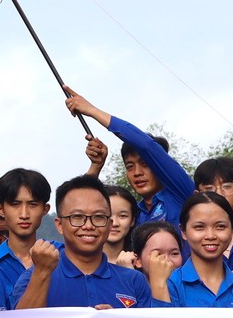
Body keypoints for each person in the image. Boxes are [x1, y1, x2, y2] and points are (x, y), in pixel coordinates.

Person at [15, 176, 151, 309]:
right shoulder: (34, 277)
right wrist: (41, 273)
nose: (88, 226)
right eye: (77, 217)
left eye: (98, 217)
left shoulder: (134, 281)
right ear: (59, 225)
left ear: (109, 225)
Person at [63, 88, 191, 229]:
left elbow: (146, 146)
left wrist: (92, 110)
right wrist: (96, 166)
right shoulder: (131, 215)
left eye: (145, 164)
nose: (137, 172)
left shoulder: (182, 194)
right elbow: (80, 205)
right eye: (130, 166)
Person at [149, 191, 233, 308]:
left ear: (232, 229)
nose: (210, 236)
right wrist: (159, 289)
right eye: (199, 227)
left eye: (220, 226)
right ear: (183, 232)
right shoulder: (168, 285)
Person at [0, 168, 54, 298]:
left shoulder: (61, 255)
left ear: (45, 209)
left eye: (33, 204)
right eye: (15, 204)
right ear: (0, 210)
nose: (24, 214)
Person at [192, 158, 233, 272]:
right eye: (209, 188)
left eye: (226, 186)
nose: (219, 194)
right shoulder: (190, 242)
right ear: (197, 195)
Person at [104, 186, 138, 266]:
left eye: (123, 216)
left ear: (132, 221)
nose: (115, 223)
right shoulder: (79, 260)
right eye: (108, 215)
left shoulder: (141, 261)